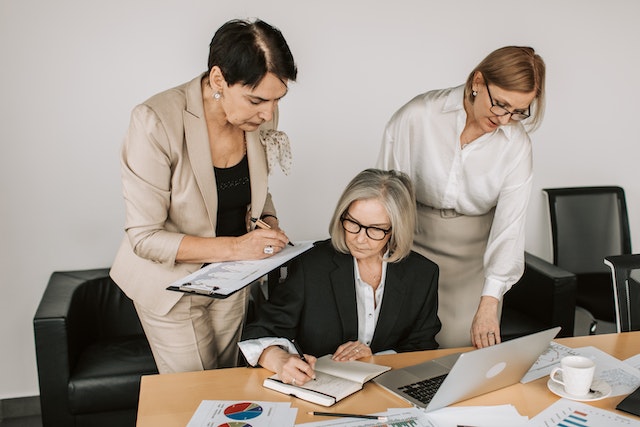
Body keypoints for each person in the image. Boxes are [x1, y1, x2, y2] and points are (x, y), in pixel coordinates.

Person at [110, 18, 297, 374]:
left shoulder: (260, 116)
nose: (269, 113)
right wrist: (238, 248)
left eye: (277, 99)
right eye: (257, 99)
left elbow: (256, 190)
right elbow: (144, 237)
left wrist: (267, 224)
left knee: (226, 386)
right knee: (195, 395)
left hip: (233, 281)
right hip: (170, 287)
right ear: (217, 80)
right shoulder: (155, 121)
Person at [377, 46, 546, 349]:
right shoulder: (418, 116)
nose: (506, 119)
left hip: (474, 261)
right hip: (410, 243)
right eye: (501, 105)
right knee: (400, 345)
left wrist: (490, 301)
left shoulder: (517, 145)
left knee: (461, 352)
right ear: (478, 82)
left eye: (519, 111)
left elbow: (510, 228)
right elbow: (386, 194)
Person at [239, 168, 441, 386]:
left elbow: (422, 346)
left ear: (396, 229)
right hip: (318, 388)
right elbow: (258, 332)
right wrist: (277, 359)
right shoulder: (310, 265)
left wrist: (375, 357)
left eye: (375, 229)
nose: (360, 239)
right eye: (353, 223)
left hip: (388, 389)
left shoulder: (422, 274)